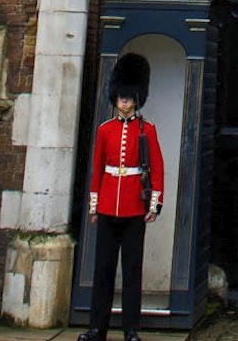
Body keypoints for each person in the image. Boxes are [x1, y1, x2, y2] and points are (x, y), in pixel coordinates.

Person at [80, 54, 165, 341]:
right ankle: (97, 327)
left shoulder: (147, 130)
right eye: (120, 98)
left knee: (131, 271)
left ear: (136, 99)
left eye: (128, 98)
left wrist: (153, 205)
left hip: (133, 209)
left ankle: (130, 329)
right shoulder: (105, 130)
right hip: (107, 206)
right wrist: (94, 206)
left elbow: (157, 168)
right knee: (102, 269)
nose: (124, 103)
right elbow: (97, 169)